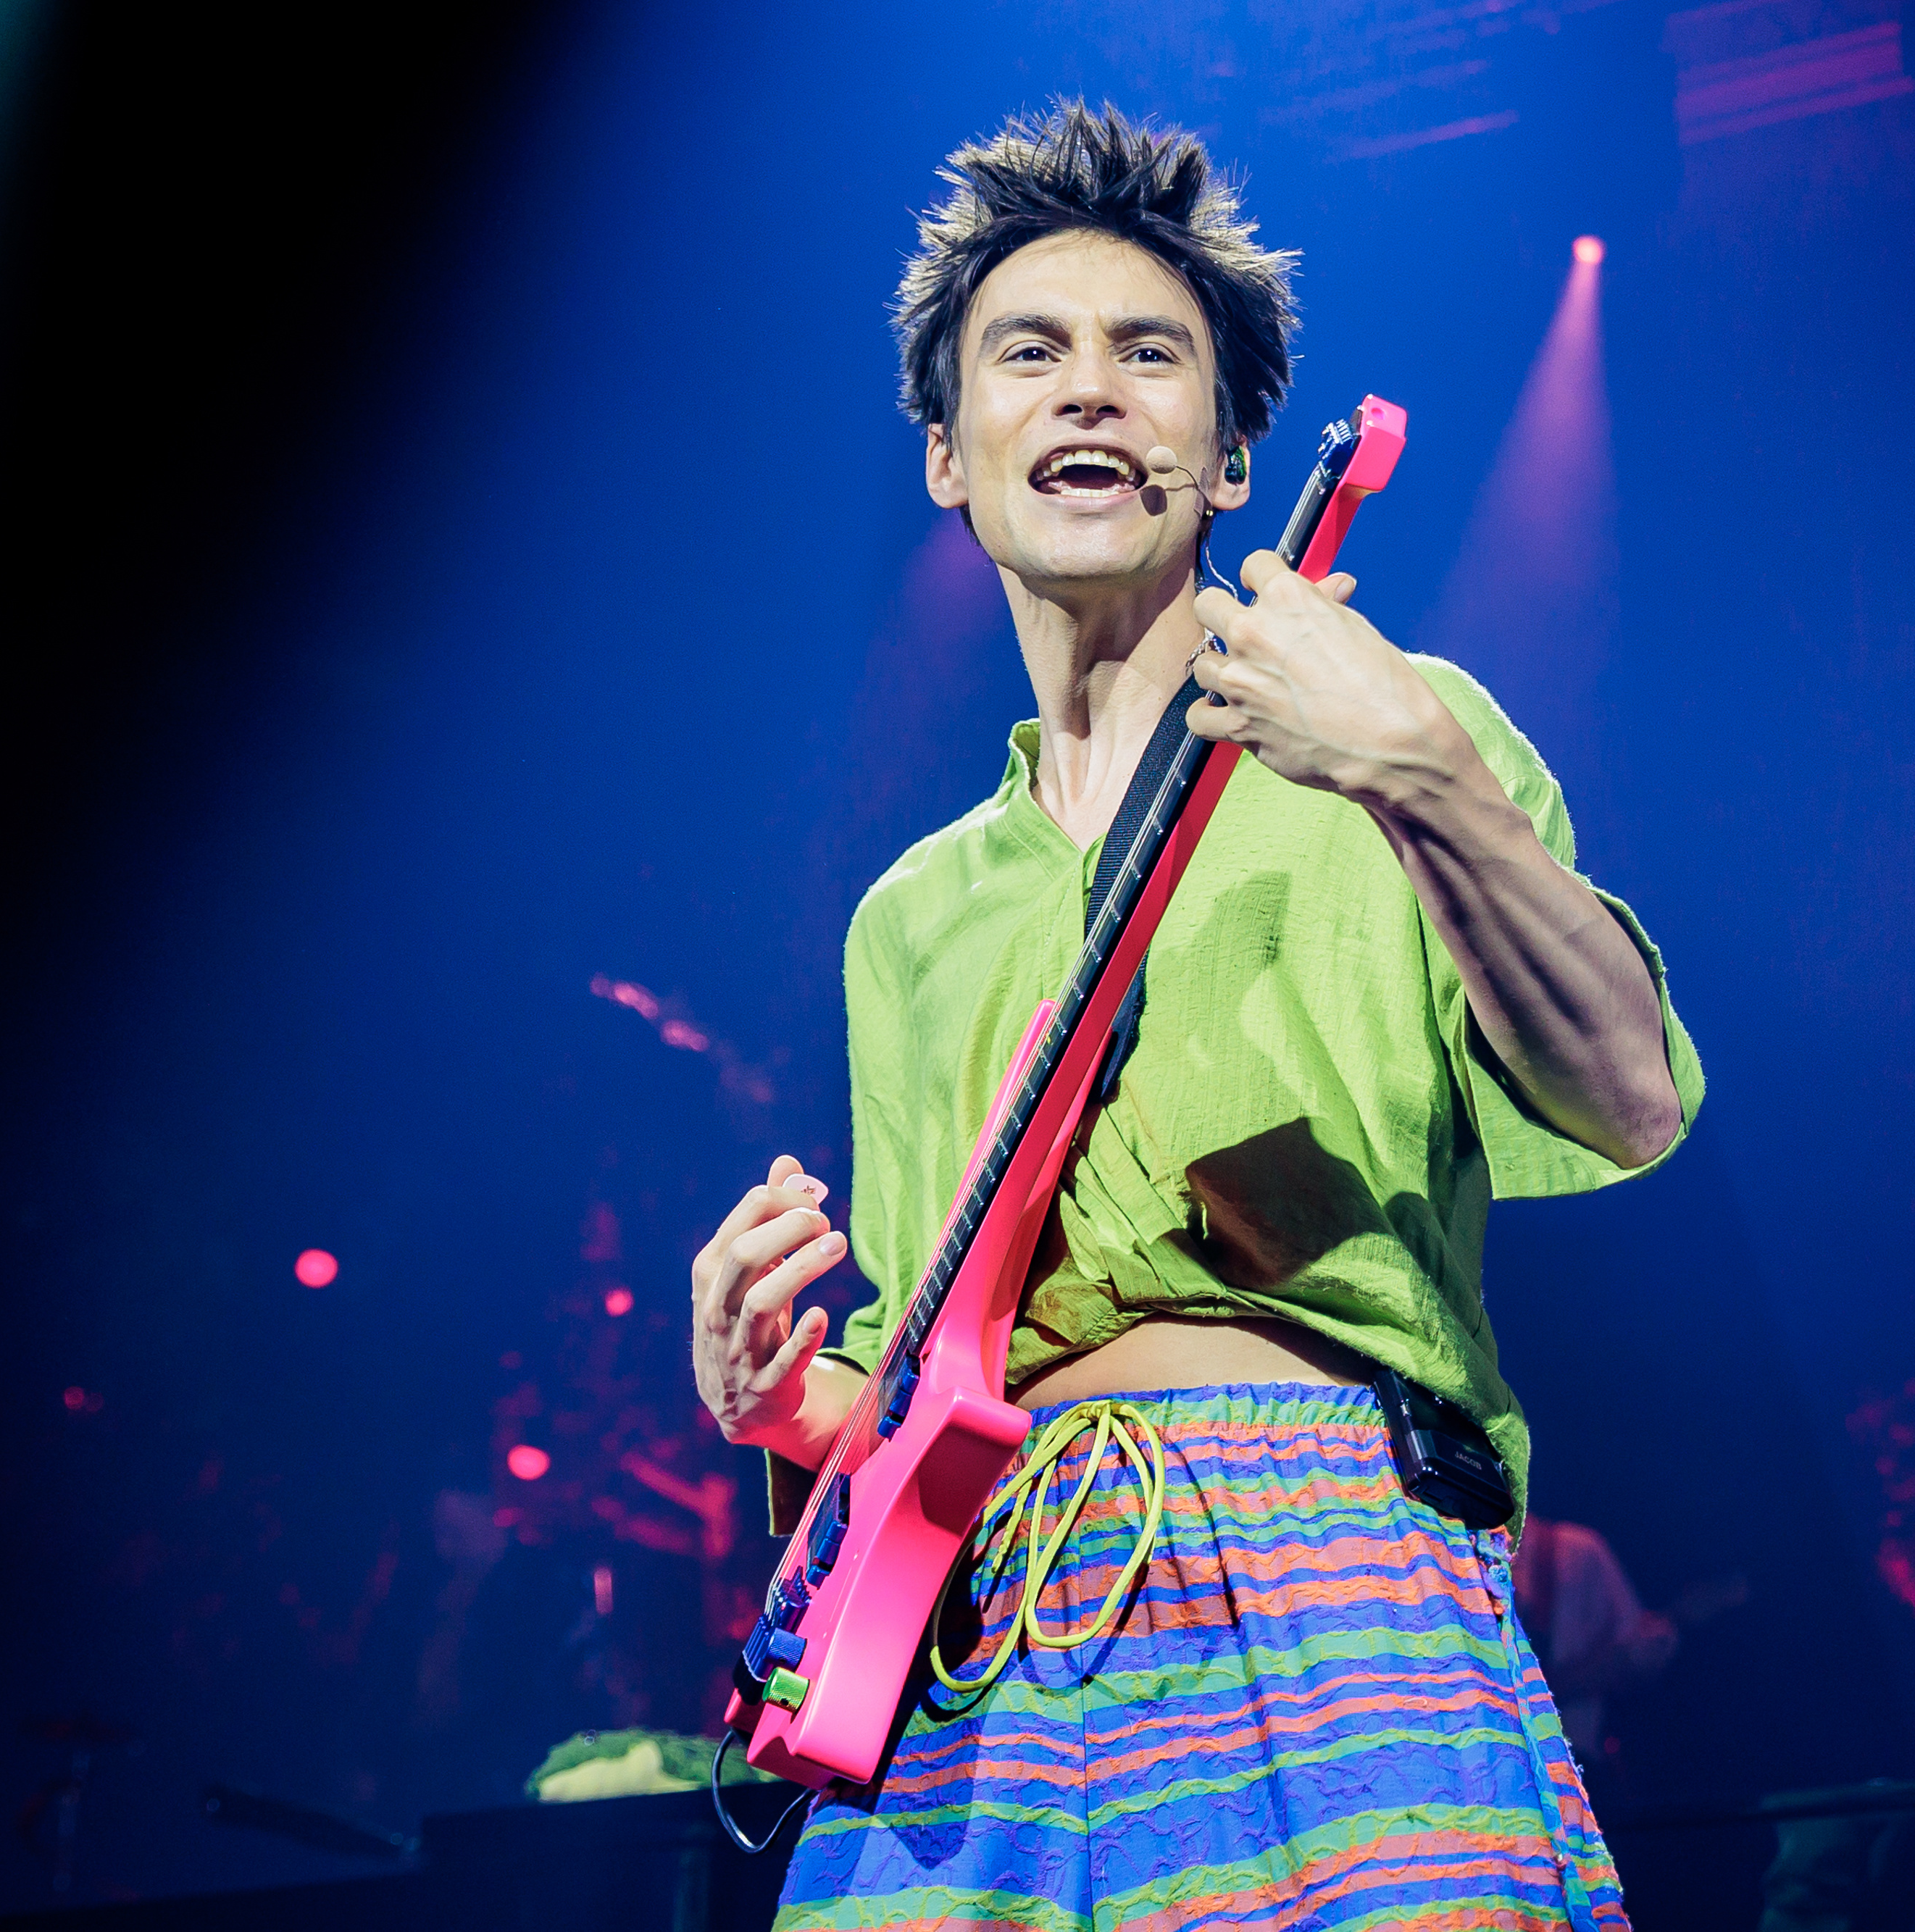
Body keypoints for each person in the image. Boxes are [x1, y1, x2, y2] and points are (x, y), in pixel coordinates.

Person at [688, 102, 1703, 1931]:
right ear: (945, 452)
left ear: (1231, 455)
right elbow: (934, 1395)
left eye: (1149, 357)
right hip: (977, 1661)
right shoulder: (904, 920)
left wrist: (1423, 783)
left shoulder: (1398, 722)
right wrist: (782, 1403)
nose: (1090, 393)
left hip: (1333, 1572)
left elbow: (1629, 1094)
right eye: (1030, 353)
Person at [1512, 1513, 1682, 1773]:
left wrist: (1644, 1653)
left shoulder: (1577, 1550)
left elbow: (1639, 1658)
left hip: (1567, 1766)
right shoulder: (1441, 1545)